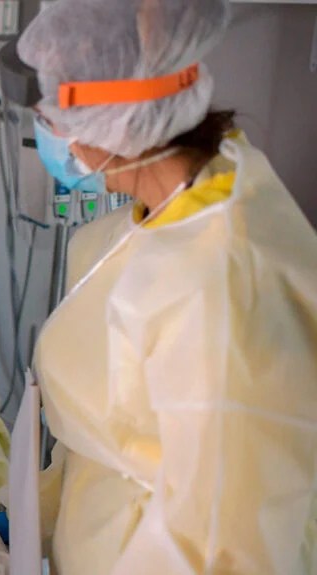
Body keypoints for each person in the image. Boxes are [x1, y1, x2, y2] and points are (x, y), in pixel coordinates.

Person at [18, 0, 317, 573]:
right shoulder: (170, 209)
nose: (48, 125)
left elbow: (228, 544)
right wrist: (45, 510)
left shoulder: (221, 282)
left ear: (111, 115)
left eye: (54, 105)